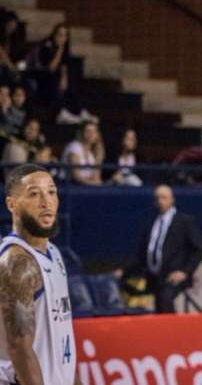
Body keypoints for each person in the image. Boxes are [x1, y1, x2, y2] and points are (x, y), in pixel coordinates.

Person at [0, 164, 80, 384]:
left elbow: (64, 341)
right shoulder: (17, 262)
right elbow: (19, 349)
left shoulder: (53, 253)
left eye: (51, 192)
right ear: (12, 204)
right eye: (34, 194)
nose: (46, 202)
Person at [116, 185, 202, 313]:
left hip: (173, 275)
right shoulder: (151, 222)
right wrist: (124, 270)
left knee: (166, 298)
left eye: (164, 197)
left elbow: (199, 249)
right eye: (157, 198)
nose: (160, 201)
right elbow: (142, 254)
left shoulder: (184, 221)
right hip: (155, 276)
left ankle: (172, 331)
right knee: (159, 305)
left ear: (172, 199)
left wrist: (184, 271)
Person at [26, 24, 97, 125]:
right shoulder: (47, 46)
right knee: (54, 78)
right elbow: (51, 68)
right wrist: (60, 50)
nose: (62, 38)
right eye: (60, 35)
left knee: (70, 80)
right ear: (54, 35)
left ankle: (80, 111)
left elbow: (64, 65)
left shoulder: (65, 47)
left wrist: (64, 79)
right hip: (41, 77)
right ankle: (61, 113)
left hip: (55, 76)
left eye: (65, 35)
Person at [61, 121, 104, 186]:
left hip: (86, 186)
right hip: (69, 185)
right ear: (82, 133)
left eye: (94, 131)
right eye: (88, 131)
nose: (91, 134)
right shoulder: (74, 146)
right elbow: (76, 176)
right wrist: (94, 183)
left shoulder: (93, 152)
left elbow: (97, 176)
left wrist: (97, 183)